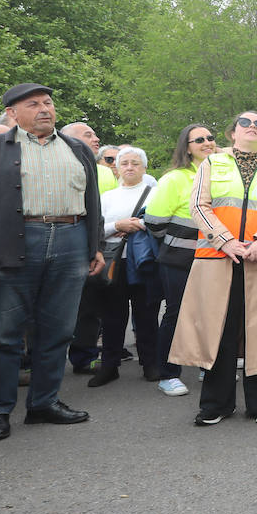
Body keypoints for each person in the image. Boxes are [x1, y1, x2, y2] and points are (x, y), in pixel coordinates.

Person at [0, 83, 103, 442]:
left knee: (58, 330)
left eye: (48, 103)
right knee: (5, 335)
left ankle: (44, 403)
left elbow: (91, 200)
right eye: (33, 104)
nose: (44, 109)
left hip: (71, 240)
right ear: (12, 114)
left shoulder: (77, 148)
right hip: (15, 243)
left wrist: (94, 244)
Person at [169, 111, 257, 426]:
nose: (253, 128)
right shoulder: (212, 163)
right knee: (218, 329)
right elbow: (198, 205)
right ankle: (215, 404)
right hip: (217, 258)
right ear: (233, 133)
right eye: (245, 124)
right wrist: (225, 241)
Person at [145, 124, 218, 397]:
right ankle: (168, 374)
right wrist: (183, 241)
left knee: (209, 314)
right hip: (179, 259)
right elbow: (154, 222)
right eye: (199, 139)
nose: (207, 142)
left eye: (210, 138)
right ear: (186, 147)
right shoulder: (174, 179)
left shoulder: (221, 175)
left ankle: (205, 366)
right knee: (177, 314)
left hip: (214, 258)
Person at [86, 147, 160, 388]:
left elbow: (159, 221)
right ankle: (109, 365)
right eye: (125, 163)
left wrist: (134, 224)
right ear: (116, 168)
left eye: (135, 163)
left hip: (143, 262)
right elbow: (98, 228)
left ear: (144, 168)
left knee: (146, 315)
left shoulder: (155, 194)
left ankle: (150, 363)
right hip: (113, 262)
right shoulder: (107, 197)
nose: (130, 167)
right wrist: (117, 224)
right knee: (111, 316)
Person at [64, 122, 115, 194]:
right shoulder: (56, 169)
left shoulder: (106, 171)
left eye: (95, 135)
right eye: (88, 135)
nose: (97, 139)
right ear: (69, 140)